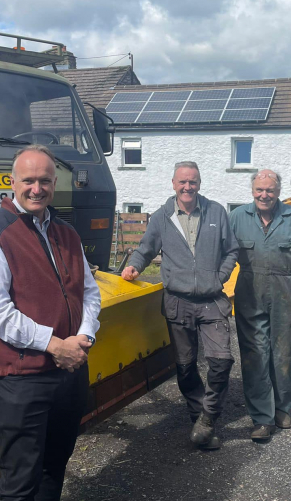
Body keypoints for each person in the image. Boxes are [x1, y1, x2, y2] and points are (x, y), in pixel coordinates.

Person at [0, 145, 101, 500]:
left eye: (44, 181)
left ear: (55, 183)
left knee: (55, 467)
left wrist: (84, 336)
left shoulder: (66, 233)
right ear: (12, 182)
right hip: (22, 379)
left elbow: (89, 291)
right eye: (28, 181)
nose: (36, 188)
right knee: (20, 481)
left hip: (69, 371)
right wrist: (55, 345)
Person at [121, 161, 238, 450]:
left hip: (211, 300)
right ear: (173, 183)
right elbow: (145, 249)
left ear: (200, 183)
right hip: (177, 302)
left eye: (193, 182)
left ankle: (209, 417)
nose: (188, 187)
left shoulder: (216, 212)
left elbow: (231, 250)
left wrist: (219, 277)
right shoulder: (162, 217)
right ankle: (197, 416)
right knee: (185, 367)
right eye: (183, 182)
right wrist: (134, 266)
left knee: (221, 361)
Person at [228, 169, 291, 443]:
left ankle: (281, 407)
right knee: (255, 355)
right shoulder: (237, 217)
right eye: (259, 190)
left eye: (270, 190)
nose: (264, 195)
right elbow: (223, 255)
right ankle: (262, 418)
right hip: (249, 292)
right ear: (252, 190)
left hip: (286, 293)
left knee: (283, 354)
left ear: (278, 192)